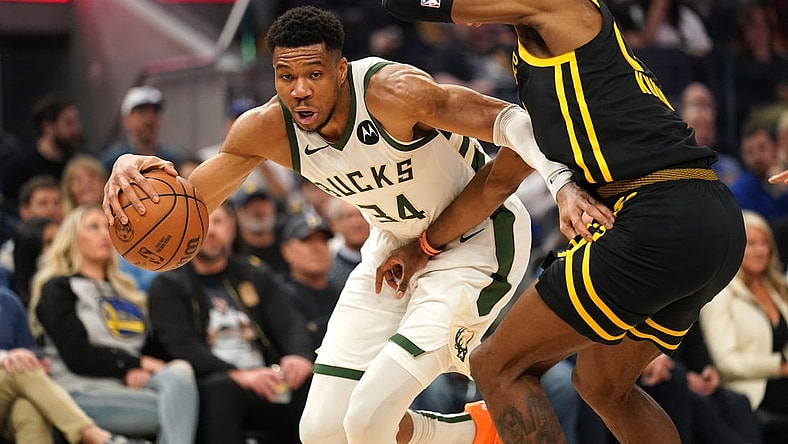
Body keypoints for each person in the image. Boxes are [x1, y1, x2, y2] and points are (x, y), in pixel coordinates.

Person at [102, 6, 612, 444]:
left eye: (314, 75)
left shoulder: (394, 92)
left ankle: (469, 433)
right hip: (392, 248)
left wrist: (563, 185)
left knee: (370, 414)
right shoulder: (265, 129)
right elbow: (188, 204)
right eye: (285, 76)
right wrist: (129, 167)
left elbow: (512, 121)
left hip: (477, 242)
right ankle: (471, 433)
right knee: (321, 431)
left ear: (341, 70)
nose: (298, 91)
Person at [380, 1, 746, 443]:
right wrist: (423, 247)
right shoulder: (549, 84)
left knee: (496, 366)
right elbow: (498, 181)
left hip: (659, 215)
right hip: (707, 222)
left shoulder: (567, 8)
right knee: (602, 386)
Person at [147, 202, 314, 444]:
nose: (211, 231)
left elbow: (289, 322)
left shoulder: (254, 273)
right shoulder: (168, 284)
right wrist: (238, 374)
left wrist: (299, 356)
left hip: (268, 378)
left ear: (232, 227)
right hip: (210, 384)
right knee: (220, 389)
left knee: (314, 385)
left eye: (218, 222)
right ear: (186, 230)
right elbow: (182, 348)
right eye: (202, 225)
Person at [29, 206, 199, 443]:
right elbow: (77, 355)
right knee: (184, 411)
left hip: (130, 387)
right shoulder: (57, 289)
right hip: (81, 392)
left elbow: (149, 349)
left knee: (180, 373)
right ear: (72, 238)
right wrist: (132, 364)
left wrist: (134, 367)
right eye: (93, 227)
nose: (104, 234)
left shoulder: (127, 292)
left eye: (108, 228)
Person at [0, 285, 146, 444]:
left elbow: (29, 349)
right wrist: (6, 357)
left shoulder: (7, 301)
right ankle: (95, 436)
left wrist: (39, 360)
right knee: (21, 368)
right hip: (16, 375)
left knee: (27, 408)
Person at [700, 210, 788, 444]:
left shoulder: (777, 288)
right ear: (734, 245)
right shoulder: (719, 294)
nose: (760, 251)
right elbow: (726, 363)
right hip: (753, 393)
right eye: (751, 244)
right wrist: (779, 367)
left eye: (764, 243)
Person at [277, 210, 342, 352]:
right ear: (286, 251)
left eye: (323, 240)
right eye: (306, 240)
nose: (317, 247)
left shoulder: (344, 293)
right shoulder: (277, 296)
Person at [100, 86, 182, 173]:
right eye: (142, 112)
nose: (149, 119)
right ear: (125, 120)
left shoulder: (176, 160)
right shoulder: (110, 162)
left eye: (154, 112)